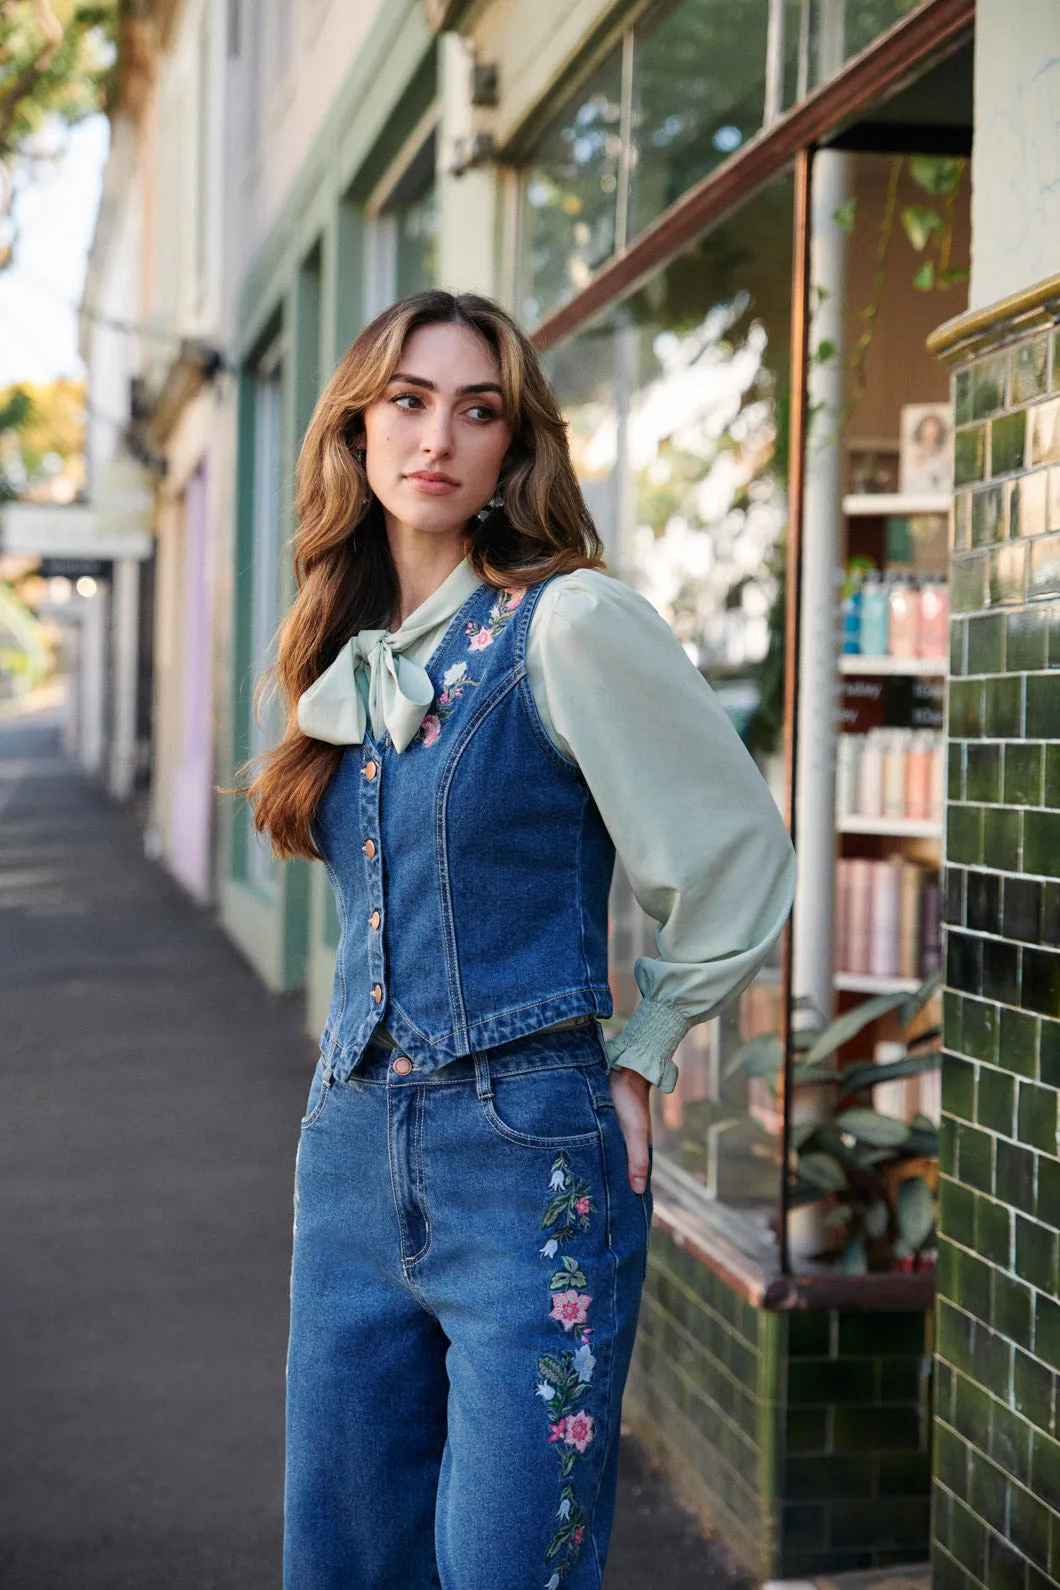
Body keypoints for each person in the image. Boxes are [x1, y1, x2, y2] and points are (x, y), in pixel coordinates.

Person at [247, 289, 796, 1590]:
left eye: (476, 409)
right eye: (408, 400)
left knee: (507, 1563)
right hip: (349, 1148)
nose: (438, 435)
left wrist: (644, 1042)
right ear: (357, 429)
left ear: (513, 447)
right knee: (344, 1558)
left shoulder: (570, 621)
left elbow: (735, 854)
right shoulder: (347, 646)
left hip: (527, 1146)